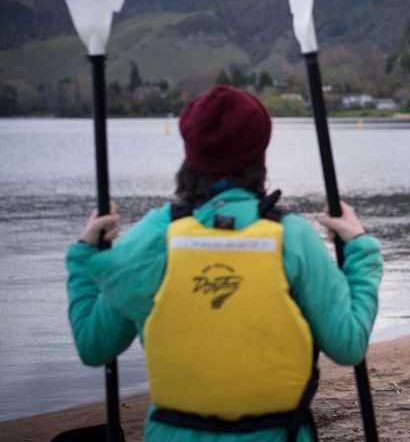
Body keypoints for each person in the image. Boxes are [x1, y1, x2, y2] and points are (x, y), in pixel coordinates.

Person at [66, 85, 383, 441]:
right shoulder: (293, 237)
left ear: (191, 152)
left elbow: (93, 345)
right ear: (260, 152)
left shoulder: (153, 236)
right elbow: (349, 344)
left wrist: (84, 255)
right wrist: (359, 249)